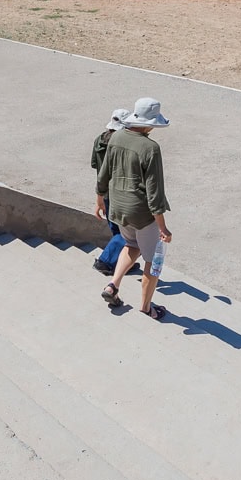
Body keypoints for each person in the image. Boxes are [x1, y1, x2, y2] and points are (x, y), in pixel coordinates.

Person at [95, 98, 173, 321]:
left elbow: (104, 173)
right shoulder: (151, 148)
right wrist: (162, 226)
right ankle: (147, 307)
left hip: (118, 207)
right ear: (150, 124)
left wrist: (99, 199)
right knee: (153, 260)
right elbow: (154, 191)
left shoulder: (117, 136)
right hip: (141, 212)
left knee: (131, 244)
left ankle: (113, 285)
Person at [89, 108, 132, 276]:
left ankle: (119, 263)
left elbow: (95, 165)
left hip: (105, 193)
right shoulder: (123, 145)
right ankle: (105, 261)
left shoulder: (99, 140)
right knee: (127, 234)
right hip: (119, 195)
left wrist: (98, 199)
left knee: (116, 231)